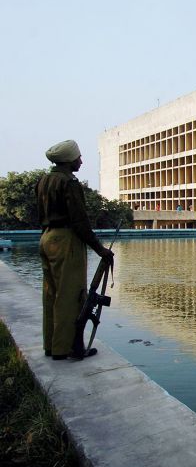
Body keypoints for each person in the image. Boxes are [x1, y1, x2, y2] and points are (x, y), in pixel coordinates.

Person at [36, 140, 114, 361]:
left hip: (47, 237)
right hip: (65, 240)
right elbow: (80, 221)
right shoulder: (69, 183)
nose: (81, 161)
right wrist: (100, 250)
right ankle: (66, 349)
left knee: (50, 294)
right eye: (78, 158)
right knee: (69, 296)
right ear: (69, 161)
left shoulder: (44, 181)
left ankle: (51, 345)